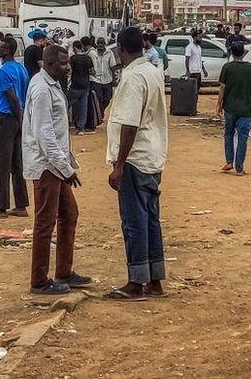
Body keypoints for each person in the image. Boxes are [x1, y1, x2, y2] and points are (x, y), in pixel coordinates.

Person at [105, 27, 169, 302]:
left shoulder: (132, 77)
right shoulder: (153, 71)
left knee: (134, 221)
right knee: (150, 219)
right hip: (152, 156)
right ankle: (154, 278)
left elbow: (129, 124)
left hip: (134, 157)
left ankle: (136, 282)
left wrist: (119, 164)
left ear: (121, 49)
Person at [24, 45, 91, 295]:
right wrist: (66, 168)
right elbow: (45, 135)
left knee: (69, 213)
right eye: (63, 63)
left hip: (57, 165)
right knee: (45, 222)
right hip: (46, 166)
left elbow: (57, 131)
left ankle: (64, 271)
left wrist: (66, 163)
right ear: (50, 64)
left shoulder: (51, 84)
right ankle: (39, 281)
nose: (68, 67)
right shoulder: (42, 89)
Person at [0, 37, 30, 218]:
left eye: (1, 48)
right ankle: (21, 204)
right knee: (17, 163)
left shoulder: (3, 72)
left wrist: (17, 119)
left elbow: (12, 98)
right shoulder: (21, 68)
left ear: (8, 51)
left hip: (6, 118)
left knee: (0, 164)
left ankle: (0, 206)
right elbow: (22, 95)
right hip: (18, 118)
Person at [217, 42, 251, 176]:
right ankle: (240, 168)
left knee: (228, 133)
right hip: (245, 109)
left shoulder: (227, 67)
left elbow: (222, 88)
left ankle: (229, 161)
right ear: (243, 53)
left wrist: (219, 105)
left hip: (229, 108)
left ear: (231, 52)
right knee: (243, 137)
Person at [68, 41, 95, 135]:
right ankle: (81, 128)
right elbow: (92, 71)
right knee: (83, 107)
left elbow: (68, 70)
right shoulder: (87, 58)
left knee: (67, 104)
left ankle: (64, 123)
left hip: (75, 84)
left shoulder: (73, 59)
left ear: (75, 48)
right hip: (85, 84)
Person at [91, 37, 117, 115]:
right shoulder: (94, 53)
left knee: (108, 98)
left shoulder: (109, 53)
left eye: (102, 43)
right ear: (96, 44)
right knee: (99, 98)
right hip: (97, 80)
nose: (100, 45)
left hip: (108, 80)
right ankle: (101, 114)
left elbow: (113, 67)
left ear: (105, 44)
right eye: (98, 43)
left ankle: (102, 111)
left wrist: (114, 79)